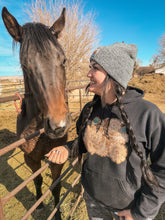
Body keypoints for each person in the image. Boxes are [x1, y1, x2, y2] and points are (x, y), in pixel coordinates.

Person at [45, 42, 165, 220]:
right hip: (93, 200)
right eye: (89, 67)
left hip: (129, 208)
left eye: (95, 68)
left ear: (114, 74)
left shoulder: (148, 114)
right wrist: (68, 149)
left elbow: (162, 169)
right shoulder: (90, 109)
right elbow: (84, 143)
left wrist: (140, 213)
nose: (88, 74)